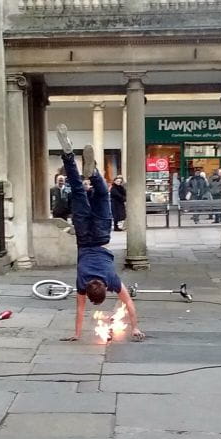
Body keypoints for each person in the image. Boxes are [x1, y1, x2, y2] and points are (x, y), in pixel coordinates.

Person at [55, 124, 144, 341]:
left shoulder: (111, 279)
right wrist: (75, 334)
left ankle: (94, 174)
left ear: (105, 288)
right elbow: (79, 311)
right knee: (77, 189)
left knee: (103, 193)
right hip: (84, 237)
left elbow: (129, 304)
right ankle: (68, 156)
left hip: (102, 234)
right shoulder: (82, 282)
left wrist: (135, 328)